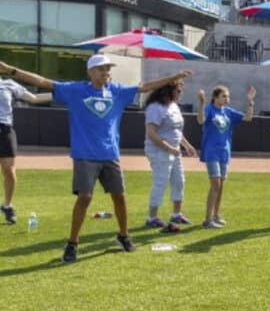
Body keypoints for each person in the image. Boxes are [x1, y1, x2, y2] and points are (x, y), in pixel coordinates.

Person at [0, 56, 190, 263]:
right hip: (85, 155)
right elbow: (42, 82)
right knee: (85, 198)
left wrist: (174, 76)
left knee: (120, 196)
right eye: (101, 69)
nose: (106, 72)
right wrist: (11, 70)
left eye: (108, 68)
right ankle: (72, 243)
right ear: (90, 72)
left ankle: (123, 236)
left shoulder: (117, 91)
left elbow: (144, 87)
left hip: (110, 155)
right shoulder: (76, 90)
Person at [196, 85, 255, 229]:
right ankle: (207, 220)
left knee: (220, 186)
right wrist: (202, 103)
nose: (227, 98)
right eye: (224, 96)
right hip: (211, 152)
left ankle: (216, 215)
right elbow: (201, 121)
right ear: (215, 98)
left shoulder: (228, 112)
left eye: (228, 96)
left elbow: (248, 118)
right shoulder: (209, 109)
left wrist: (250, 102)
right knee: (215, 184)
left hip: (224, 152)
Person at [143, 80, 198, 232]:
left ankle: (176, 214)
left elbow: (177, 131)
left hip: (174, 150)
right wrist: (169, 148)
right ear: (168, 91)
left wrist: (187, 146)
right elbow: (151, 133)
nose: (181, 94)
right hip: (159, 151)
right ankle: (152, 218)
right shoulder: (155, 107)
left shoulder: (173, 106)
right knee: (160, 182)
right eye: (178, 91)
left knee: (179, 181)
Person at [0, 75, 51, 224]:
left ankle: (7, 206)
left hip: (5, 130)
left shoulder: (8, 84)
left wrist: (64, 93)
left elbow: (34, 98)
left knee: (9, 170)